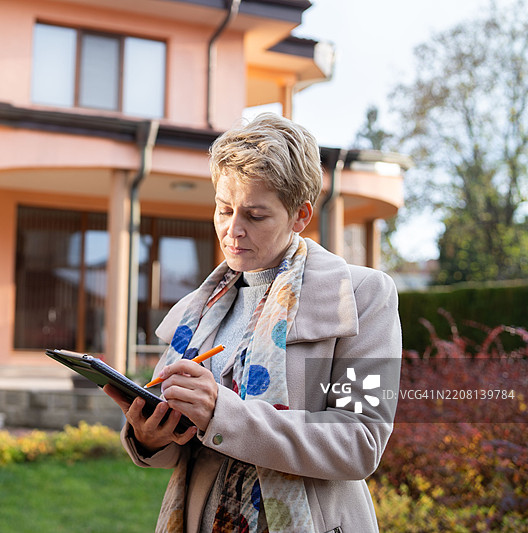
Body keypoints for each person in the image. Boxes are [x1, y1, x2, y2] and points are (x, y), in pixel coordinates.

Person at [104, 113, 401, 533]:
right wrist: (150, 434)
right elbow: (182, 449)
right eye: (224, 210)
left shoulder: (361, 297)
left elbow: (361, 443)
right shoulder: (197, 311)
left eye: (255, 216)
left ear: (300, 216)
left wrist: (223, 414)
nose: (232, 231)